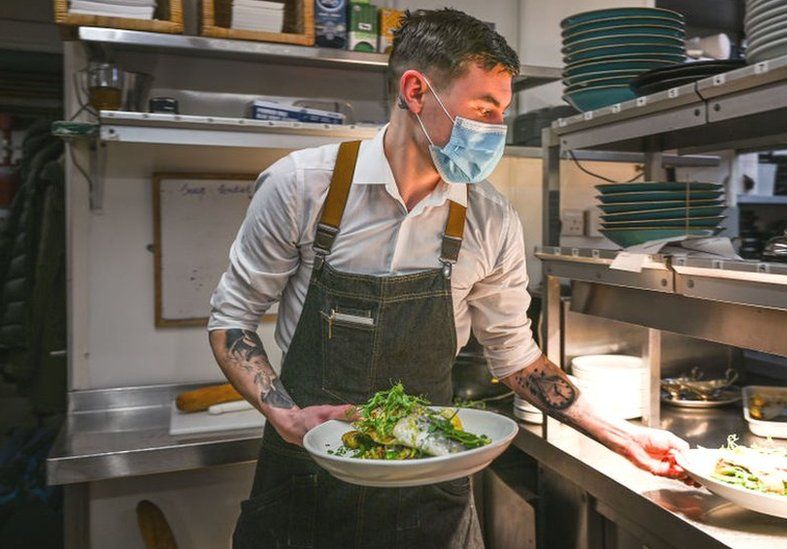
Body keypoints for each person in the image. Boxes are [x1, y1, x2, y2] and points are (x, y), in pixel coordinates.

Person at [207, 9, 690, 548]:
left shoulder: (491, 220)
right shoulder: (301, 187)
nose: (495, 130)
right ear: (416, 91)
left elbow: (515, 356)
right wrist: (285, 415)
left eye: (502, 113)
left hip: (429, 482)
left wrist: (624, 437)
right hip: (311, 470)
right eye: (483, 109)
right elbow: (233, 321)